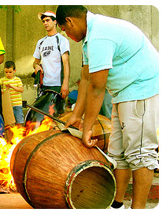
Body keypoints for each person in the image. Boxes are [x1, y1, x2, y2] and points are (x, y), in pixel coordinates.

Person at [56, 5, 159, 209]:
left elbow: (97, 87)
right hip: (123, 93)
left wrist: (88, 128)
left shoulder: (100, 36)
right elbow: (85, 78)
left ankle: (137, 209)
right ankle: (117, 204)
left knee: (140, 154)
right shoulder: (90, 37)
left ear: (70, 21)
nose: (66, 35)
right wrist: (76, 115)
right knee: (118, 153)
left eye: (64, 30)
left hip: (141, 91)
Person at [33, 11, 70, 99]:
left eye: (48, 20)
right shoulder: (40, 42)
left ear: (55, 21)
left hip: (57, 85)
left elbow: (66, 63)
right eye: (43, 21)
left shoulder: (61, 40)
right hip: (43, 86)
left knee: (56, 112)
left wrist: (65, 84)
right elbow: (35, 62)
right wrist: (36, 66)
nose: (45, 23)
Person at [0, 61, 24, 127]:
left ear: (14, 71)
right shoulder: (2, 80)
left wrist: (12, 86)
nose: (8, 74)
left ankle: (20, 136)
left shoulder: (17, 79)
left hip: (17, 105)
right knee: (9, 124)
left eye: (10, 72)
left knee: (19, 122)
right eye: (6, 72)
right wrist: (1, 91)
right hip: (7, 106)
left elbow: (21, 89)